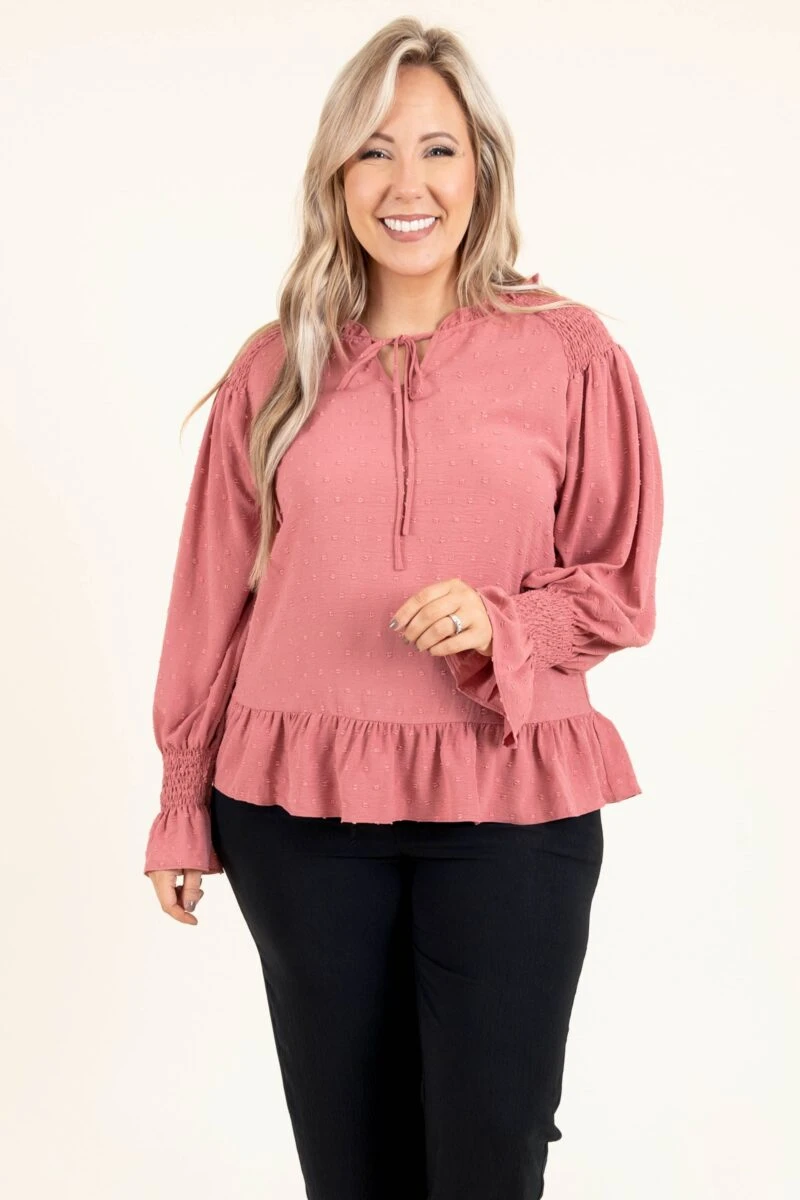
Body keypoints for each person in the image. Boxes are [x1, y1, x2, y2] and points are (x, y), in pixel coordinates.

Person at [143, 16, 664, 1200]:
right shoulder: (273, 368)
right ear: (336, 175)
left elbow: (619, 581)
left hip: (508, 807)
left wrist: (504, 625)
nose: (406, 183)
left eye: (436, 149)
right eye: (373, 150)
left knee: (488, 1159)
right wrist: (180, 802)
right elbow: (210, 600)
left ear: (481, 169)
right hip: (294, 812)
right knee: (351, 1170)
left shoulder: (569, 352)